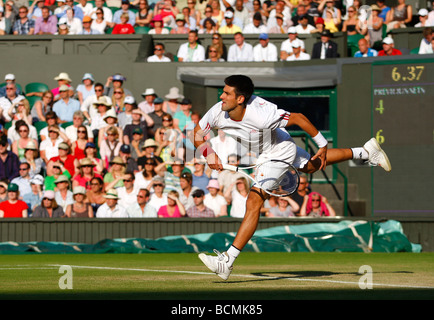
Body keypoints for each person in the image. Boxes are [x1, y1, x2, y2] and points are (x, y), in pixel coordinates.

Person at [194, 74, 391, 280]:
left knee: (254, 200)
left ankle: (227, 261)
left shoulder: (262, 114)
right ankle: (365, 152)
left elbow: (298, 118)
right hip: (265, 151)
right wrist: (209, 153)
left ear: (240, 99)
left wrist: (323, 145)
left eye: (227, 93)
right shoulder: (217, 111)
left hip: (279, 149)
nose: (222, 96)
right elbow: (197, 134)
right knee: (311, 166)